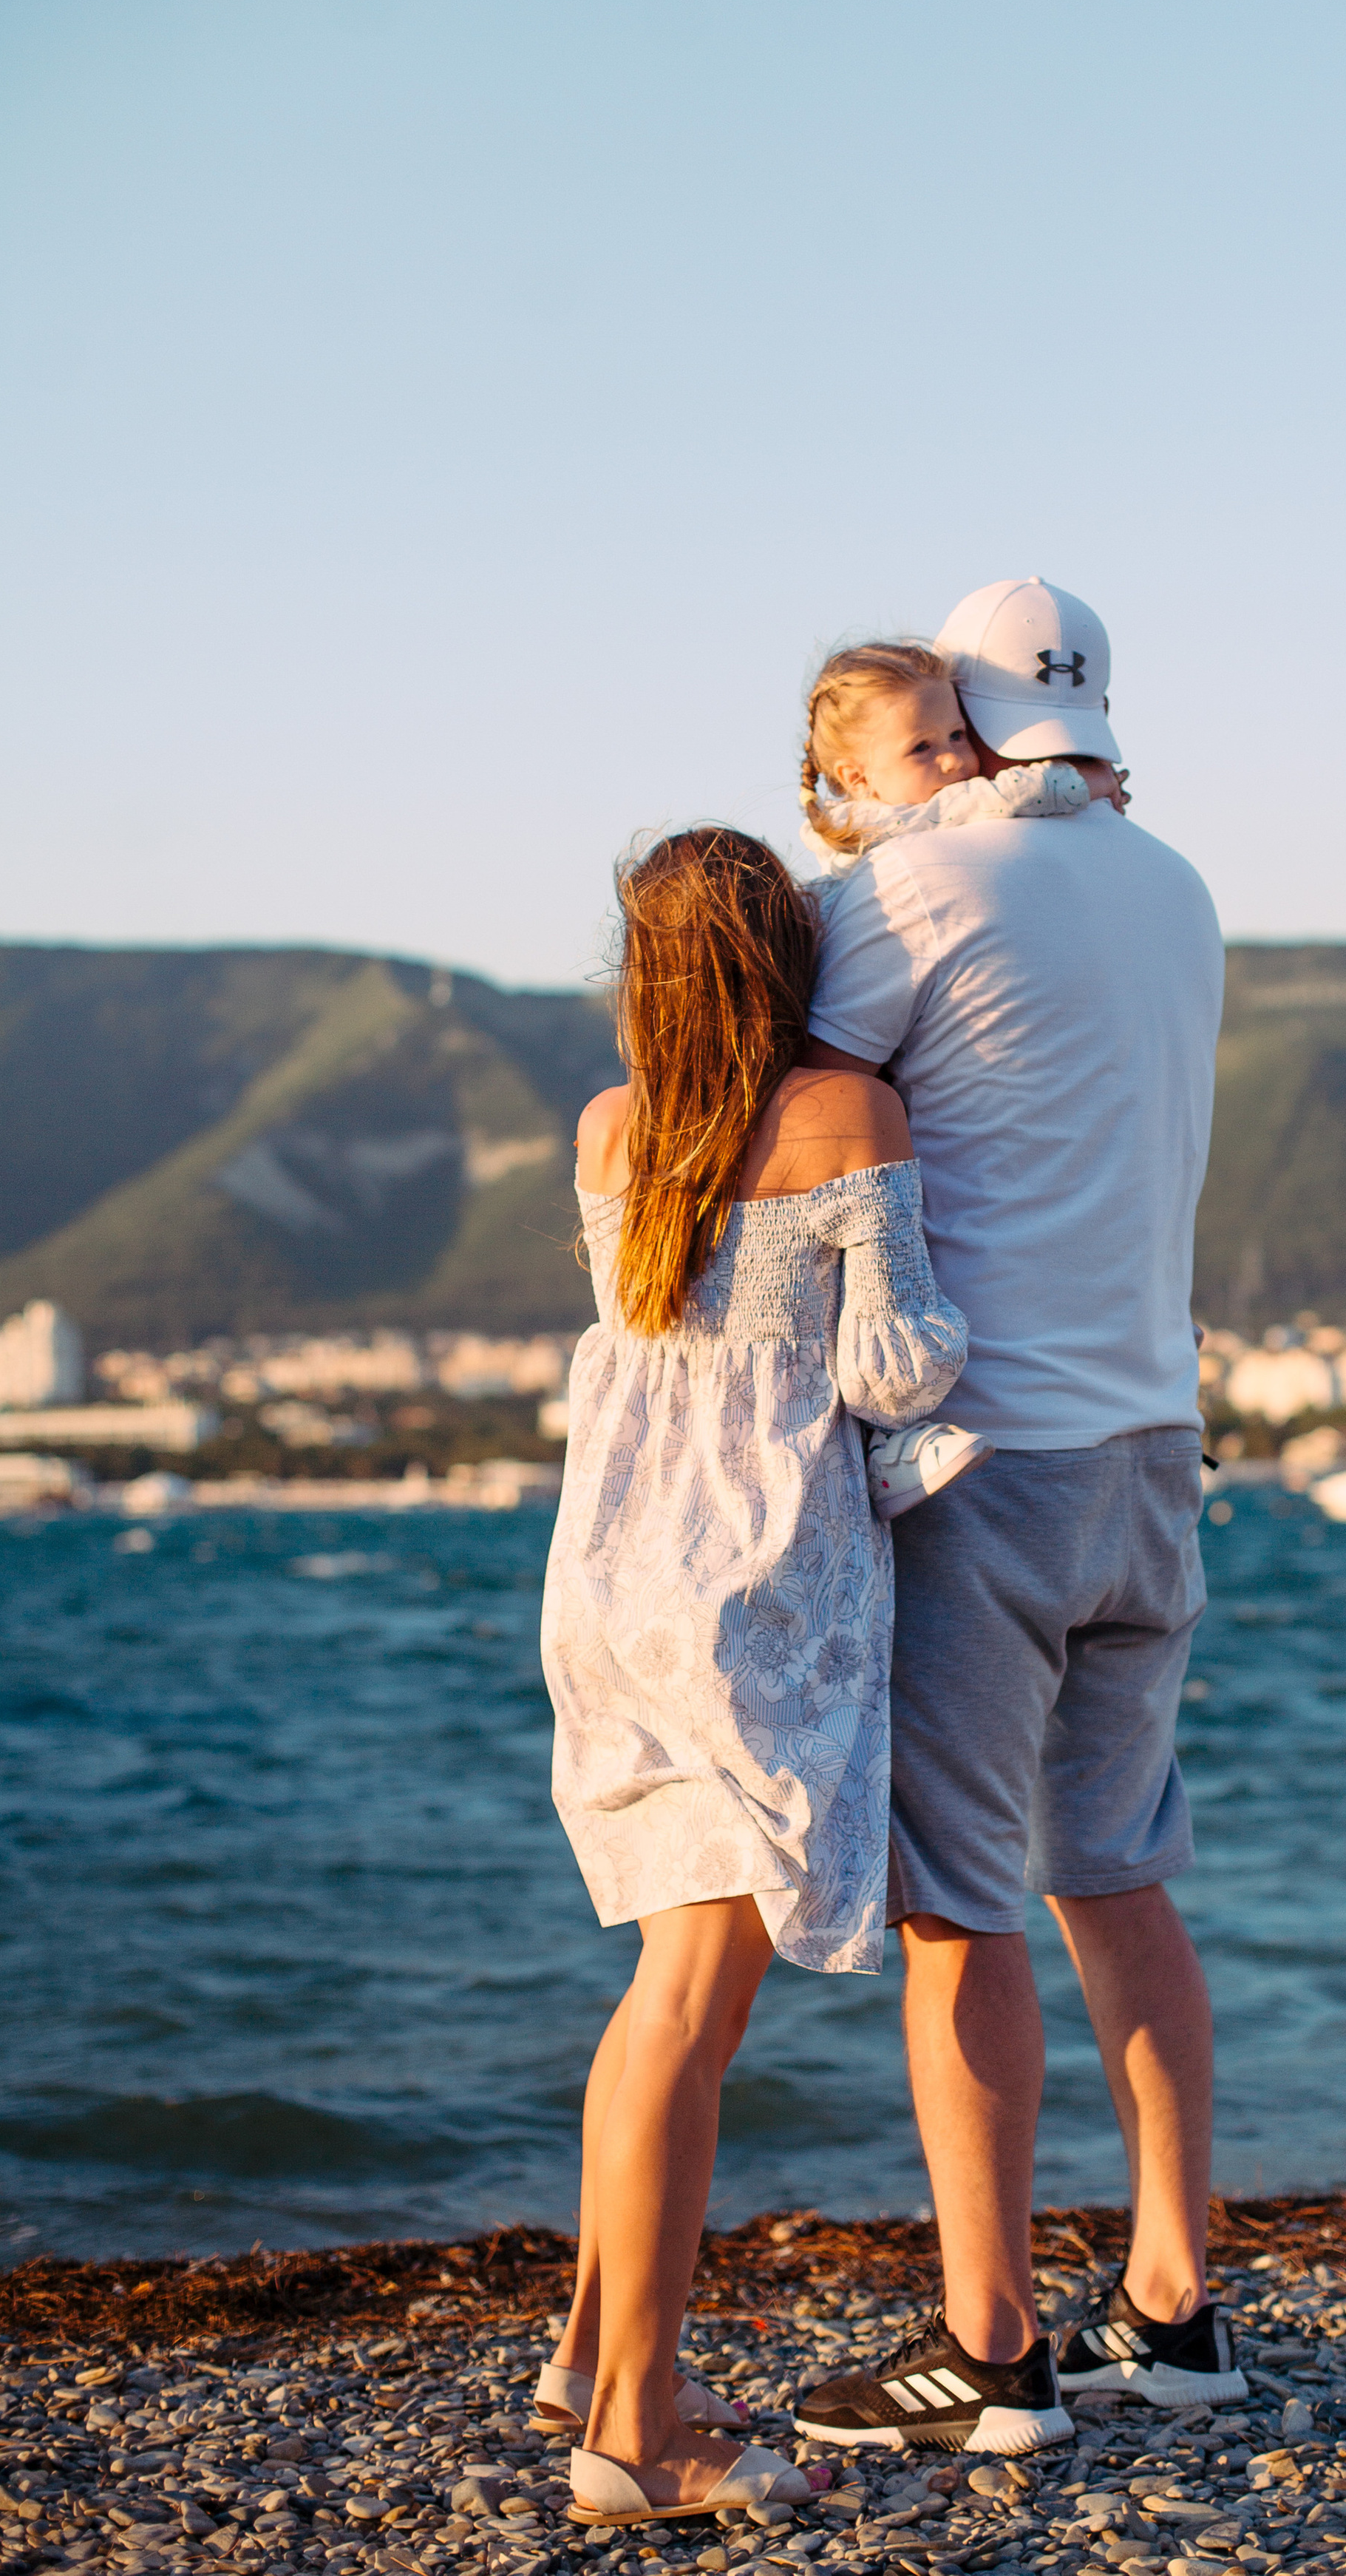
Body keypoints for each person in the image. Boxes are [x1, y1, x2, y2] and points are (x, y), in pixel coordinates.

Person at [794, 579, 1242, 2450]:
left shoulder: (907, 890)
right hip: (1153, 1446)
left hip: (984, 1467)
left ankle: (988, 2350)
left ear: (958, 715)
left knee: (955, 1912)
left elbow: (784, 1113)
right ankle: (1174, 2309)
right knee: (1116, 1878)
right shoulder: (1180, 883)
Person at [537, 825, 971, 2524]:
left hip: (606, 1580)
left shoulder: (609, 1128)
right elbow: (896, 1356)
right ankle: (634, 2443)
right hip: (754, 1599)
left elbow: (656, 1329)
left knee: (657, 1991)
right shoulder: (847, 1114)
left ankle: (596, 2348)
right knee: (687, 2015)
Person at [797, 636, 1119, 1519]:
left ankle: (887, 1437)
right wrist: (1092, 786)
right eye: (921, 748)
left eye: (957, 735)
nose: (953, 762)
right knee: (884, 1274)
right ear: (857, 777)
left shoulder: (872, 836)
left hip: (897, 1056)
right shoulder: (924, 846)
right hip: (887, 1079)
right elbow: (1035, 787)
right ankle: (888, 1437)